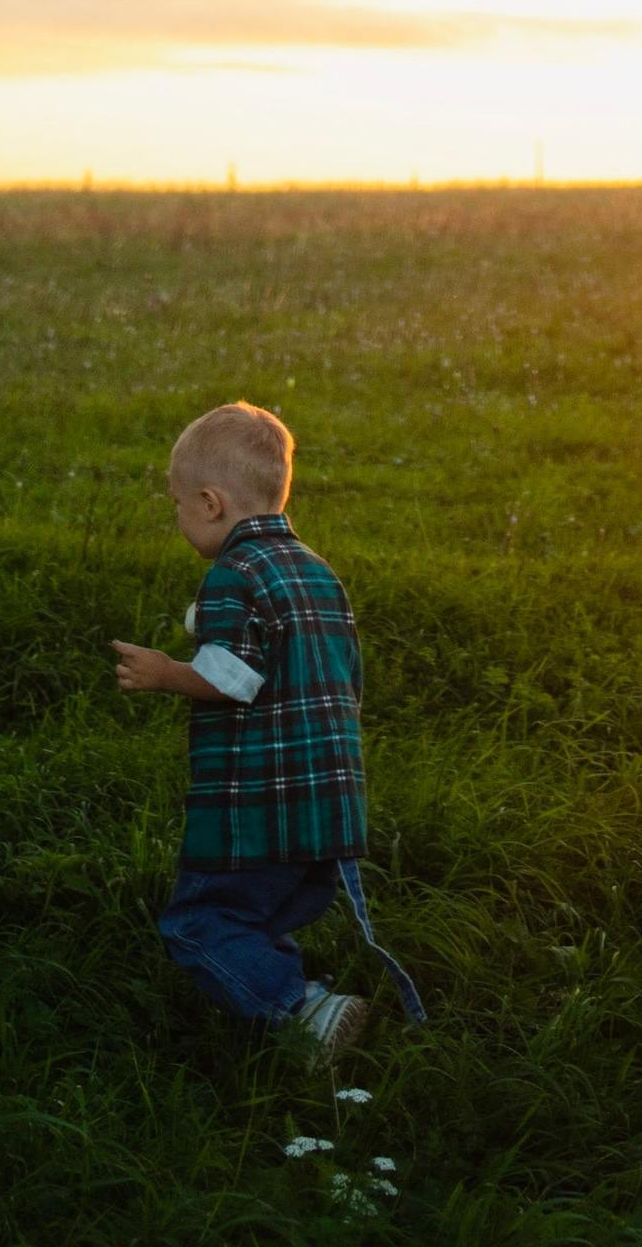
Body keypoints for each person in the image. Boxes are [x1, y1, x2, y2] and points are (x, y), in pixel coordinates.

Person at [113, 399, 423, 1058]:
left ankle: (302, 1012)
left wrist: (168, 671)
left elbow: (232, 676)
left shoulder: (233, 573)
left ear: (210, 502)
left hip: (257, 809)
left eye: (177, 504)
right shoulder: (315, 571)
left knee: (199, 924)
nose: (177, 517)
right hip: (328, 806)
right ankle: (299, 997)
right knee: (259, 920)